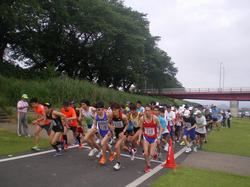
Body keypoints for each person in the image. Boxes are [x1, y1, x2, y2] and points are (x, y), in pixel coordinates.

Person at [137, 105, 161, 173]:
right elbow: (141, 129)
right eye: (146, 110)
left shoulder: (155, 118)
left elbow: (160, 127)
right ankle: (148, 165)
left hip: (154, 138)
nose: (147, 112)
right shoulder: (142, 119)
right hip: (146, 137)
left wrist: (159, 137)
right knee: (145, 153)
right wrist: (139, 139)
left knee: (151, 154)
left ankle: (154, 153)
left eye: (148, 110)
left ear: (151, 111)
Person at [110, 103, 129, 171]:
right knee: (123, 147)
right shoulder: (111, 115)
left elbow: (127, 125)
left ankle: (118, 163)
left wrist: (123, 131)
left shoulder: (123, 117)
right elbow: (109, 122)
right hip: (117, 133)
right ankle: (130, 151)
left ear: (119, 109)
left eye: (115, 110)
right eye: (112, 110)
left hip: (123, 133)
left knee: (116, 146)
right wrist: (111, 127)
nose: (114, 111)